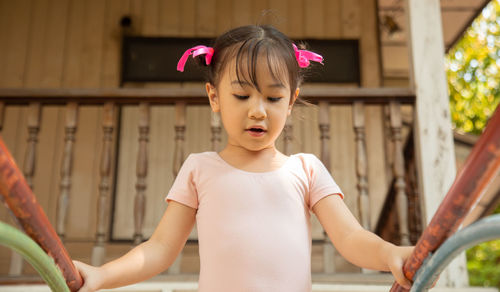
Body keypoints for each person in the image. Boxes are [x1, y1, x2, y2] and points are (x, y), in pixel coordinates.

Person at [74, 24, 414, 292]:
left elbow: (351, 238)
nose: (257, 110)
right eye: (241, 94)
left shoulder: (306, 170)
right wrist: (101, 276)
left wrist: (390, 254)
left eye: (273, 97)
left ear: (291, 101)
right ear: (214, 96)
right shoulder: (199, 169)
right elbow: (159, 249)